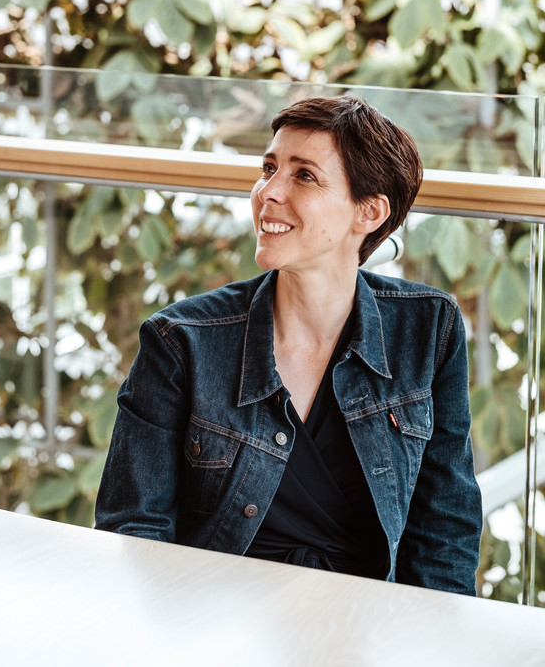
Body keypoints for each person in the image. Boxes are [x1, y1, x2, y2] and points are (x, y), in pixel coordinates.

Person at [95, 94, 483, 595]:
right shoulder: (181, 341)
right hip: (214, 616)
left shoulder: (429, 328)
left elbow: (444, 533)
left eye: (304, 175)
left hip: (366, 624)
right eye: (268, 168)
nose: (268, 192)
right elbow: (133, 532)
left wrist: (433, 633)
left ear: (369, 212)